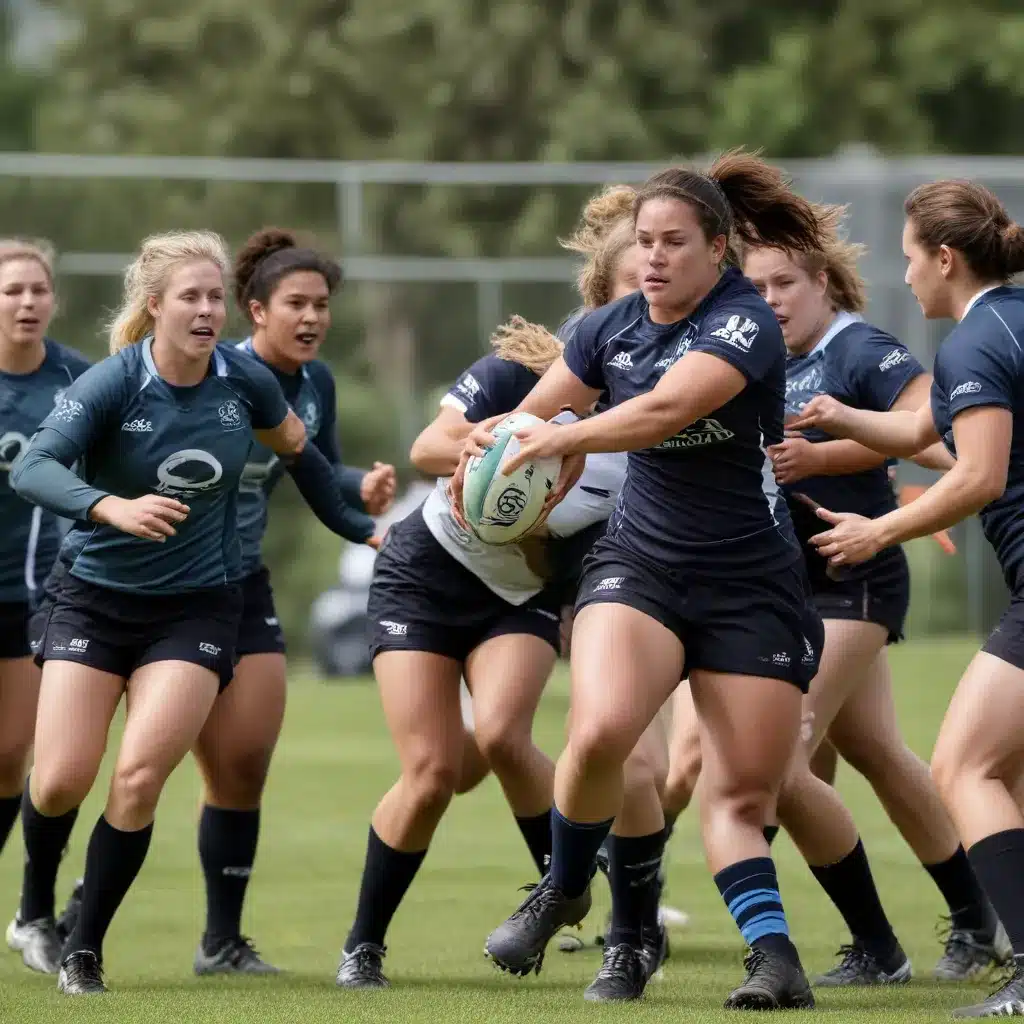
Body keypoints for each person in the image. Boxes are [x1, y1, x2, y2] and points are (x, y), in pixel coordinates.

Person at [454, 150, 827, 1008]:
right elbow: (538, 408)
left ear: (718, 251)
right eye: (644, 242)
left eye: (674, 244)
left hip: (750, 580)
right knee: (602, 734)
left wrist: (562, 439)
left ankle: (775, 960)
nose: (654, 258)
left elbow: (668, 408)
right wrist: (493, 440)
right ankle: (566, 889)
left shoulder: (745, 323)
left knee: (739, 793)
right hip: (644, 565)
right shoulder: (607, 326)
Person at [661, 208, 1006, 987]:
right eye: (757, 286)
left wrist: (824, 458)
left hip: (853, 575)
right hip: (783, 584)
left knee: (777, 762)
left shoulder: (859, 347)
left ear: (824, 283)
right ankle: (975, 917)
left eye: (787, 283)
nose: (772, 298)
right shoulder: (751, 353)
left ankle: (873, 943)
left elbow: (938, 435)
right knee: (875, 752)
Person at [7, 229, 325, 996]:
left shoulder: (247, 382)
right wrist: (109, 506)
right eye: (191, 296)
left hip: (198, 608)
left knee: (140, 778)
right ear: (154, 307)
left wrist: (365, 521)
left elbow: (299, 452)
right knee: (58, 782)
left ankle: (85, 949)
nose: (208, 309)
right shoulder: (113, 384)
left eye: (216, 297)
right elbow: (33, 468)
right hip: (93, 600)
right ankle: (33, 912)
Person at [788, 179, 1024, 1018]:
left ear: (946, 258)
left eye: (910, 258)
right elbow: (926, 434)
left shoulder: (972, 343)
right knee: (1006, 779)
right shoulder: (1009, 321)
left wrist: (879, 534)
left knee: (964, 766)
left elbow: (978, 474)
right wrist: (839, 422)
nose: (908, 276)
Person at [337, 314, 628, 990]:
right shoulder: (523, 376)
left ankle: (563, 887)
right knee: (434, 774)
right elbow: (427, 446)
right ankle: (364, 945)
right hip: (423, 577)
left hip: (519, 597)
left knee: (500, 733)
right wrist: (477, 450)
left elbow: (582, 553)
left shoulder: (640, 429)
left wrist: (531, 535)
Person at [185, 228, 395, 975]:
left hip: (244, 585)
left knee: (243, 764)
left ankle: (221, 942)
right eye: (296, 304)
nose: (312, 318)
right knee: (139, 763)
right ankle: (83, 895)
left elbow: (314, 468)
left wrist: (357, 489)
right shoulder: (213, 373)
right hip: (162, 589)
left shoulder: (316, 383)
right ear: (256, 310)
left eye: (322, 305)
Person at [0, 240, 91, 973]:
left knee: (13, 758)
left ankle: (32, 915)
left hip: (29, 595)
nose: (26, 302)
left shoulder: (76, 381)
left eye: (37, 290)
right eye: (11, 291)